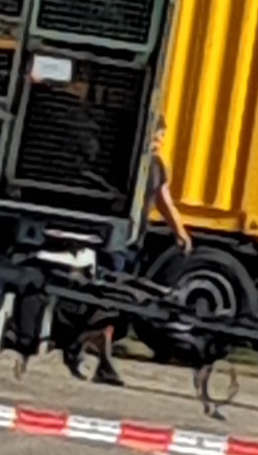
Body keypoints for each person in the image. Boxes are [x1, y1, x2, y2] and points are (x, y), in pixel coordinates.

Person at [63, 129, 192, 388]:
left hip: (135, 242)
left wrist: (180, 231)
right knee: (110, 298)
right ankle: (88, 350)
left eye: (162, 136)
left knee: (118, 303)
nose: (159, 141)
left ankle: (85, 347)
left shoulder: (157, 166)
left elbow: (164, 200)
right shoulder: (128, 160)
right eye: (156, 135)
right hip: (115, 241)